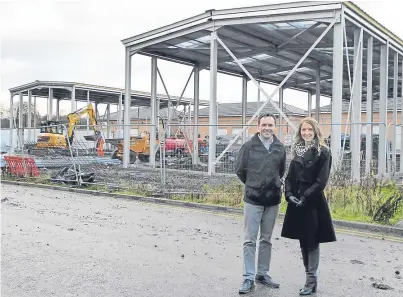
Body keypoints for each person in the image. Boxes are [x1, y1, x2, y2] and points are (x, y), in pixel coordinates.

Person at [281, 117, 336, 295]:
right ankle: (310, 281)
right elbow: (289, 177)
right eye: (303, 130)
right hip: (296, 202)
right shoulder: (296, 150)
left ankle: (310, 281)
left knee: (312, 241)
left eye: (309, 130)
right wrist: (288, 194)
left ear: (316, 132)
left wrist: (305, 197)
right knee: (303, 241)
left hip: (312, 202)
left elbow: (321, 181)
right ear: (300, 132)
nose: (306, 133)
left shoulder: (324, 152)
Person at [235, 112, 286, 294]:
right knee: (250, 240)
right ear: (258, 126)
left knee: (266, 239)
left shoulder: (280, 147)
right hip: (253, 200)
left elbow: (281, 171)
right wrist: (253, 185)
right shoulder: (249, 147)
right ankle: (248, 277)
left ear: (275, 127)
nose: (267, 128)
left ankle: (262, 273)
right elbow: (240, 170)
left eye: (270, 125)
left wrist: (272, 186)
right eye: (264, 125)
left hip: (273, 201)